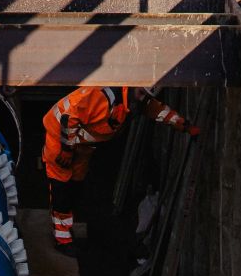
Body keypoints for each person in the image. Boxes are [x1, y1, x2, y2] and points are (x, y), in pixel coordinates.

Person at [41, 86, 198, 254]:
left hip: (82, 147)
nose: (142, 99)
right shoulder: (102, 97)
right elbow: (69, 117)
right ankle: (62, 239)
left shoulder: (135, 99)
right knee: (62, 190)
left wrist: (184, 125)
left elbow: (158, 110)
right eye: (141, 94)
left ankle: (66, 227)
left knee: (75, 188)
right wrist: (66, 149)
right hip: (61, 141)